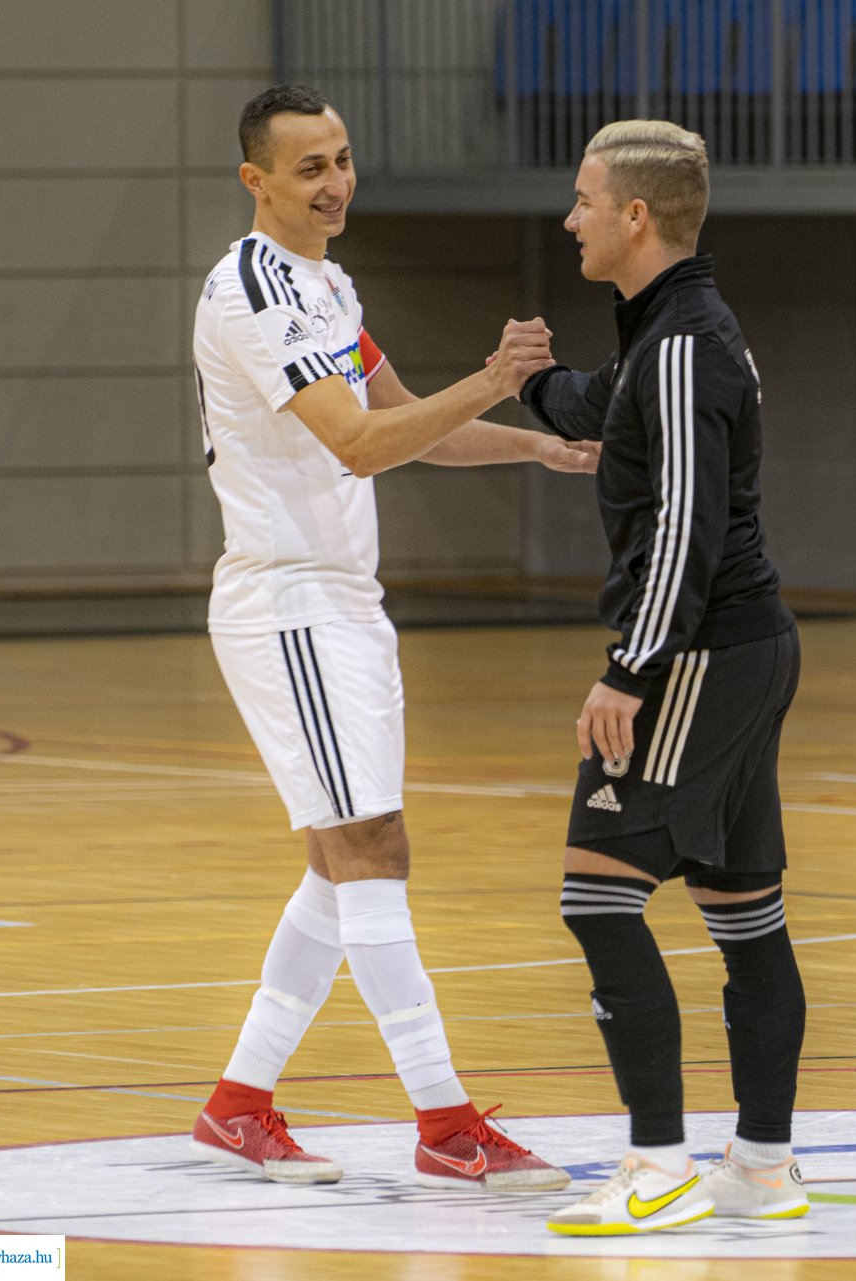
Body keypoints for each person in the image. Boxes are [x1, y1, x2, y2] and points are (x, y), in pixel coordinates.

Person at [188, 84, 591, 1192]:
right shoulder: (257, 289)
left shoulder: (329, 283)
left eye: (344, 158)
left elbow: (408, 424)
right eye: (310, 167)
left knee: (345, 858)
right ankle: (445, 1120)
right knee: (369, 851)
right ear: (255, 181)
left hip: (343, 605)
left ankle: (238, 1104)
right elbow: (360, 446)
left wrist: (534, 448)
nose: (337, 182)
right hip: (290, 606)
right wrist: (495, 376)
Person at [516, 120, 808, 1235]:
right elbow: (605, 408)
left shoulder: (684, 345)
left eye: (585, 200)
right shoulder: (674, 334)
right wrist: (530, 386)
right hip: (742, 647)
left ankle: (658, 1169)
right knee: (745, 917)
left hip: (699, 652)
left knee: (596, 896)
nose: (570, 218)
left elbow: (685, 521)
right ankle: (765, 1167)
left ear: (636, 216)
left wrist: (629, 671)